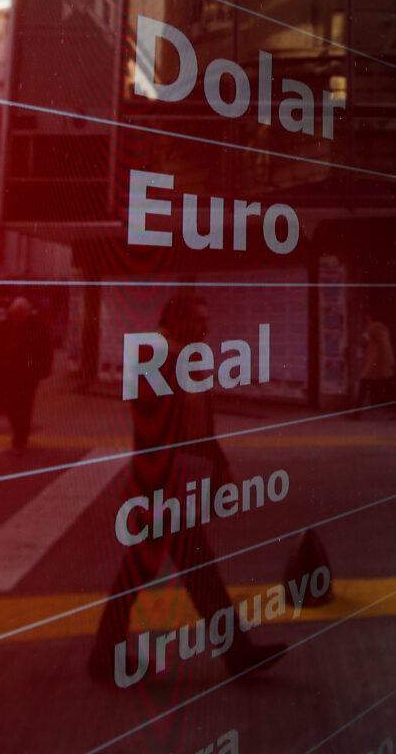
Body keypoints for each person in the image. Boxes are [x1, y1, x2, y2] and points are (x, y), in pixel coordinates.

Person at [87, 293, 283, 683]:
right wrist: (154, 492)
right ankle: (237, 654)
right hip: (162, 487)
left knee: (160, 570)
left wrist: (219, 465)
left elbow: (200, 425)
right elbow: (149, 432)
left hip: (177, 483)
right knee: (187, 570)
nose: (205, 327)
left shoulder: (186, 359)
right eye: (198, 320)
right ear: (176, 321)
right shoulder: (154, 357)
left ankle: (106, 654)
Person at [0, 297, 51, 453]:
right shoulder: (5, 327)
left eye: (21, 314)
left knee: (25, 405)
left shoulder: (38, 327)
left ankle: (20, 438)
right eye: (15, 314)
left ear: (27, 313)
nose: (18, 317)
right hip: (8, 373)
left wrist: (44, 369)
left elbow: (46, 350)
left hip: (29, 374)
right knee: (10, 405)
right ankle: (19, 432)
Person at [350, 308, 396, 418]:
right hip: (379, 364)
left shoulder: (375, 328)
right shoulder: (379, 328)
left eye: (367, 315)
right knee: (388, 386)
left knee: (364, 384)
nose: (365, 318)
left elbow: (382, 346)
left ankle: (356, 412)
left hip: (375, 364)